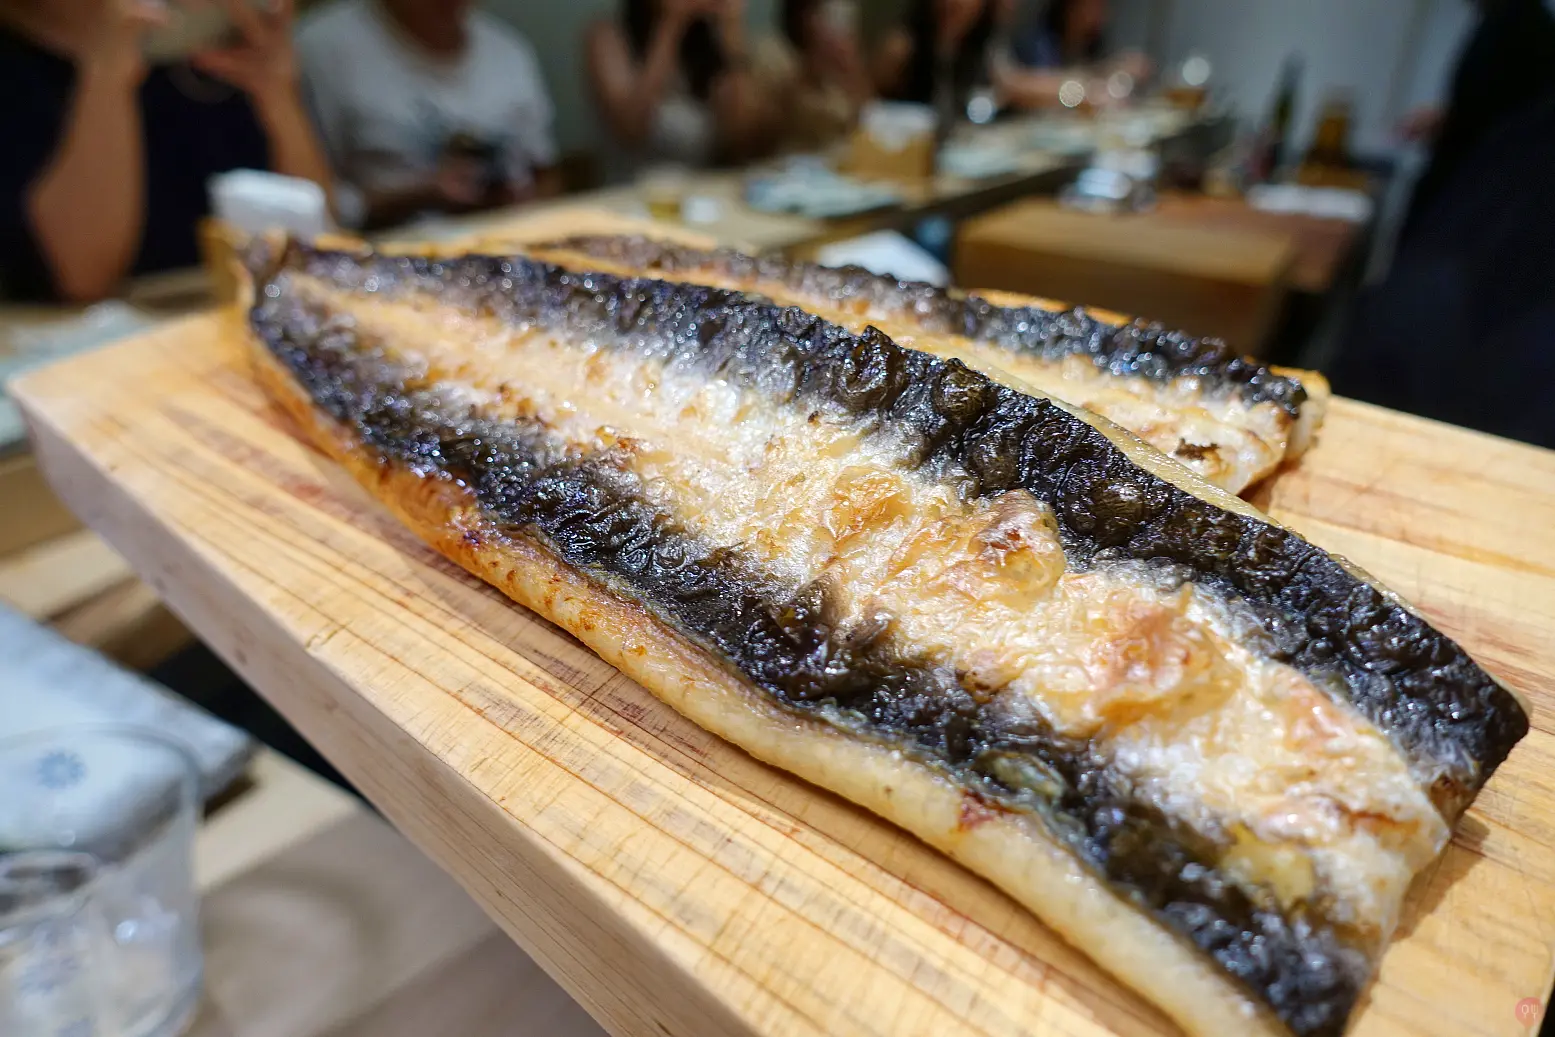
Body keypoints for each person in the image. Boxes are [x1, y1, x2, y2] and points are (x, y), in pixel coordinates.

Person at [0, 0, 331, 302]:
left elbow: (318, 241)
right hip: (88, 336)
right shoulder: (19, 73)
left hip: (245, 312)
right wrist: (106, 76)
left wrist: (277, 97)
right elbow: (81, 278)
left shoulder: (209, 42)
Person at [297, 0, 561, 230]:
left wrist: (520, 199)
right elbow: (309, 202)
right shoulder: (321, 49)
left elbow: (544, 175)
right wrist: (415, 196)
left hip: (506, 242)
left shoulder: (509, 51)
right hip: (381, 252)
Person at [1396, 0, 1555, 241]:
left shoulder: (1519, 26)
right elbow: (1487, 105)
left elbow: (1506, 127)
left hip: (1471, 204)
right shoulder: (1502, 21)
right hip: (1467, 198)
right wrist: (1448, 119)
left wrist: (1453, 126)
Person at [586, 0, 777, 178]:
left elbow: (747, 139)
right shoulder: (607, 36)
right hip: (634, 193)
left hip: (710, 192)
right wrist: (672, 24)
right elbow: (630, 130)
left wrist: (732, 32)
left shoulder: (710, 38)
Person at [751, 0, 873, 152]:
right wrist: (813, 66)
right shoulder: (774, 56)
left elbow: (867, 117)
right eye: (828, 14)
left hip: (837, 156)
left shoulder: (839, 65)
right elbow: (772, 122)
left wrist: (853, 70)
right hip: (788, 157)